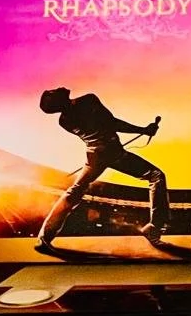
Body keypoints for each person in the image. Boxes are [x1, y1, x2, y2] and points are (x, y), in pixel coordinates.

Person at [35, 87, 168, 251]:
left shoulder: (64, 121)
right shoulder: (88, 100)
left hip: (94, 155)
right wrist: (143, 130)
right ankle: (154, 227)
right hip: (112, 152)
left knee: (74, 192)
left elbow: (103, 128)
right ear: (59, 99)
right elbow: (112, 124)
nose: (57, 88)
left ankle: (45, 237)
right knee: (156, 176)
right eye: (53, 92)